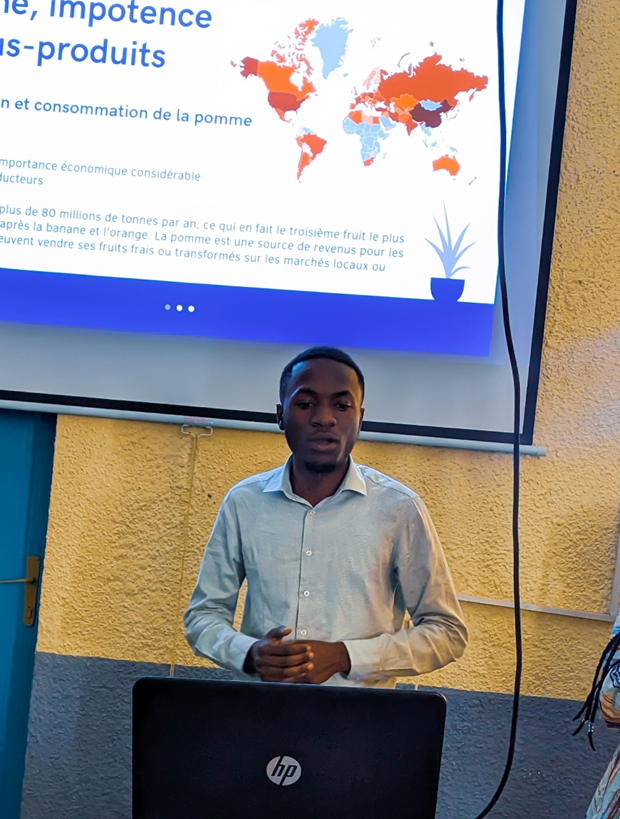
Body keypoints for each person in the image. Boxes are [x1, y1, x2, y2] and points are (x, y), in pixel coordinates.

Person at [184, 346, 467, 687]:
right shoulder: (244, 503)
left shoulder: (398, 509)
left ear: (360, 418)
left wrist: (346, 656)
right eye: (305, 404)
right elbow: (203, 617)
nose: (324, 418)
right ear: (280, 415)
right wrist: (248, 653)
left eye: (342, 405)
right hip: (259, 716)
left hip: (359, 726)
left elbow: (447, 631)